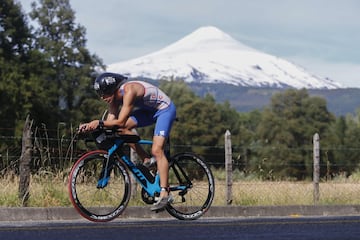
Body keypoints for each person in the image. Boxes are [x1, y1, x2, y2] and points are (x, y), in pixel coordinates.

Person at [78, 72, 177, 211]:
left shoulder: (129, 91)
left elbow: (120, 121)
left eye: (104, 93)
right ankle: (147, 159)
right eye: (100, 94)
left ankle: (165, 194)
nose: (102, 97)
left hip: (164, 110)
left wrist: (98, 123)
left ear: (113, 89)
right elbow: (112, 124)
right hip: (148, 111)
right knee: (121, 130)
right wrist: (91, 126)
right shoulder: (114, 100)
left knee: (157, 149)